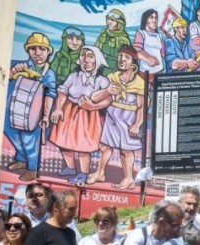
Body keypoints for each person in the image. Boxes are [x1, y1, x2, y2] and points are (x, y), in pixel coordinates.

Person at [49, 46, 110, 185]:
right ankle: (70, 167)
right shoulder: (73, 76)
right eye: (83, 55)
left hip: (88, 117)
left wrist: (93, 106)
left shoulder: (102, 80)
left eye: (90, 56)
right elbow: (63, 91)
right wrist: (58, 108)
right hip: (69, 111)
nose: (86, 60)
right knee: (63, 142)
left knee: (83, 146)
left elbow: (108, 100)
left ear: (97, 60)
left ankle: (83, 173)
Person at [87, 45, 145, 189]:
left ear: (133, 62)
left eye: (126, 57)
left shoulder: (139, 83)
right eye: (120, 56)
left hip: (127, 118)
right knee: (105, 146)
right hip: (112, 116)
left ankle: (129, 178)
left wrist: (137, 124)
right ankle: (100, 173)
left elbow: (142, 107)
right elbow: (95, 97)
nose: (122, 59)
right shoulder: (112, 78)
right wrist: (107, 91)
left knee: (126, 150)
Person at [4, 33, 57, 181]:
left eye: (42, 49)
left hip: (34, 114)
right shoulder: (19, 64)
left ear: (48, 52)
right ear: (28, 51)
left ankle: (32, 169)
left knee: (29, 140)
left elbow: (50, 94)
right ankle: (21, 159)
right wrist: (13, 72)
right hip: (14, 111)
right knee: (11, 131)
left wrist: (46, 116)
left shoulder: (49, 73)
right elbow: (2, 77)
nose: (38, 53)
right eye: (33, 49)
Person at [94, 9, 131, 76]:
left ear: (119, 23)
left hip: (114, 68)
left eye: (112, 20)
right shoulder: (103, 33)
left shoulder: (123, 39)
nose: (109, 22)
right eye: (108, 19)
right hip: (99, 65)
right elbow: (95, 48)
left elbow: (126, 58)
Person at [134, 9, 165, 74]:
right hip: (145, 72)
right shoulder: (141, 33)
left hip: (159, 71)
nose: (154, 20)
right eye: (151, 17)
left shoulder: (159, 35)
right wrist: (148, 58)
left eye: (156, 18)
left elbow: (163, 53)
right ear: (145, 20)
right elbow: (136, 51)